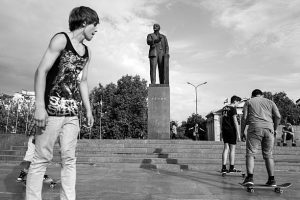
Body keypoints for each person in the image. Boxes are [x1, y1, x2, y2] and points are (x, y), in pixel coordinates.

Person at [26, 6, 98, 200]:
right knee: (41, 159)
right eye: (94, 25)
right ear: (84, 23)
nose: (96, 30)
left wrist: (89, 110)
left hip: (72, 114)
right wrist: (39, 107)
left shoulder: (87, 52)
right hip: (50, 112)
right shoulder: (61, 40)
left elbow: (82, 81)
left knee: (69, 159)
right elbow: (41, 71)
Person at [241, 89, 281, 186]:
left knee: (250, 153)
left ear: (252, 96)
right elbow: (278, 116)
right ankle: (271, 180)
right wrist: (274, 129)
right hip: (269, 129)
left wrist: (242, 131)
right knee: (268, 155)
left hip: (254, 128)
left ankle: (250, 178)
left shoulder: (249, 102)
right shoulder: (270, 102)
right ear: (262, 95)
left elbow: (245, 118)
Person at [220, 95, 242, 173]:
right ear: (235, 101)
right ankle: (231, 167)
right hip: (231, 130)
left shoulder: (224, 108)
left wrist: (221, 130)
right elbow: (235, 121)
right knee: (232, 149)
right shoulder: (233, 109)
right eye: (238, 103)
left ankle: (223, 168)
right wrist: (239, 134)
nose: (238, 105)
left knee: (226, 148)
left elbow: (221, 120)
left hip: (224, 130)